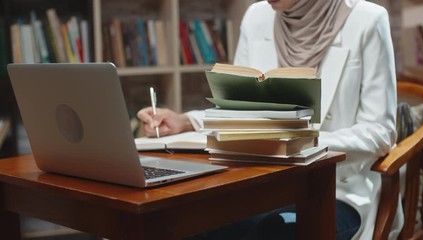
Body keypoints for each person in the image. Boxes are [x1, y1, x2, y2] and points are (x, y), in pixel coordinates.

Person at [137, 0, 401, 239]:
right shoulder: (256, 16)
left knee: (271, 234)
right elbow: (242, 111)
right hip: (260, 184)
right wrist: (186, 121)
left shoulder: (368, 19)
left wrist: (302, 141)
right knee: (188, 225)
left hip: (336, 190)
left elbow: (380, 132)